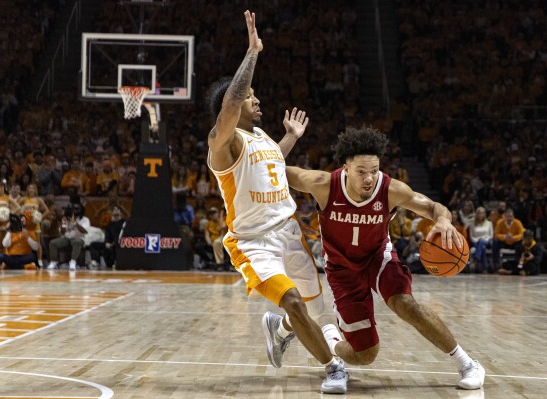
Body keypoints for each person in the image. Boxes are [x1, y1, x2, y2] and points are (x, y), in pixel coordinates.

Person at [205, 10, 347, 394]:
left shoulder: (263, 138)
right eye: (250, 97)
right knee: (295, 303)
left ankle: (279, 329)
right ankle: (333, 368)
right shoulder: (223, 142)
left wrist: (289, 139)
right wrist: (252, 52)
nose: (257, 100)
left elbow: (270, 165)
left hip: (289, 233)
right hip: (253, 243)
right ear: (233, 107)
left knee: (315, 308)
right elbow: (231, 104)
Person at [286, 127, 485, 391]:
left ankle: (468, 363)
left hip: (377, 257)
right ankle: (332, 340)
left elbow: (431, 206)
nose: (369, 178)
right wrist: (287, 139)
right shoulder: (323, 185)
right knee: (366, 353)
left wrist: (445, 220)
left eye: (374, 170)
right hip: (342, 270)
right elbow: (272, 167)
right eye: (361, 172)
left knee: (406, 303)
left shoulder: (391, 189)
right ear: (346, 168)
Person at [47, 202, 91, 271]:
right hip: (67, 238)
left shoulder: (85, 219)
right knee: (53, 243)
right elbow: (62, 232)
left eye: (77, 209)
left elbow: (84, 231)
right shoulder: (66, 218)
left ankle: (73, 262)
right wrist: (63, 223)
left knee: (77, 241)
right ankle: (54, 262)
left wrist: (75, 223)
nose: (75, 211)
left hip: (79, 238)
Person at [17, 183, 49, 267]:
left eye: (33, 188)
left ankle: (39, 260)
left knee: (37, 242)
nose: (31, 190)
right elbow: (16, 207)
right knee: (26, 242)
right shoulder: (23, 199)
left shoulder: (39, 200)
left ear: (35, 190)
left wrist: (40, 217)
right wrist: (21, 213)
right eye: (29, 188)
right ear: (27, 190)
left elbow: (47, 210)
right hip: (26, 224)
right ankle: (27, 260)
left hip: (35, 224)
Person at [468, 206, 493, 273]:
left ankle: (476, 260)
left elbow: (491, 235)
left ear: (484, 214)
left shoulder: (489, 223)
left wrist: (484, 239)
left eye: (482, 213)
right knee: (483, 248)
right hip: (476, 242)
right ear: (476, 214)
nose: (480, 214)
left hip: (487, 242)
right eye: (479, 213)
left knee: (482, 243)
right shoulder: (472, 224)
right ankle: (484, 268)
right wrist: (478, 240)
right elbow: (471, 236)